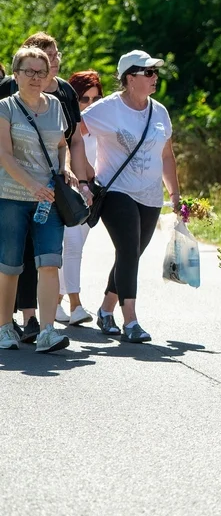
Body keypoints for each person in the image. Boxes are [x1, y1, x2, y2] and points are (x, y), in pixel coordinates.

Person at [80, 50, 181, 343]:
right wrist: (83, 172)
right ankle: (132, 320)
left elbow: (166, 154)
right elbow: (73, 133)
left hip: (150, 195)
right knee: (127, 249)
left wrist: (174, 193)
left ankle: (105, 309)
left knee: (132, 254)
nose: (154, 78)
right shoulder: (107, 108)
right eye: (148, 72)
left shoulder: (159, 111)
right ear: (129, 78)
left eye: (155, 72)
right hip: (115, 190)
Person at [0, 32, 90, 344]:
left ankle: (48, 331)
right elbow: (4, 155)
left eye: (42, 71)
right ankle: (4, 328)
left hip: (49, 198)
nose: (36, 77)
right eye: (29, 72)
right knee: (10, 265)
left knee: (50, 262)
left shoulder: (56, 105)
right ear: (16, 75)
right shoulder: (5, 107)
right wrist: (33, 186)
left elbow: (62, 144)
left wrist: (65, 168)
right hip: (12, 197)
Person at [54, 70, 103, 326]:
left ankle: (55, 301)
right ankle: (76, 303)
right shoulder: (67, 125)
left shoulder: (101, 127)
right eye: (84, 99)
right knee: (71, 246)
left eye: (96, 99)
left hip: (92, 194)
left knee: (74, 249)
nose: (90, 105)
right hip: (69, 191)